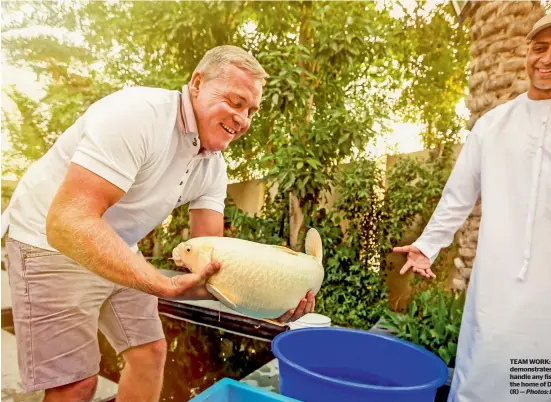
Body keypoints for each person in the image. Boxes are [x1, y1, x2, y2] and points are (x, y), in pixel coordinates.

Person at [1, 45, 315, 402]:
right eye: (235, 102)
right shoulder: (137, 115)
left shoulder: (212, 164)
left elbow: (211, 265)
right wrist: (157, 283)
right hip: (48, 239)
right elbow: (67, 222)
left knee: (149, 354)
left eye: (250, 111)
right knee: (76, 384)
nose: (243, 119)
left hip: (118, 244)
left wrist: (268, 304)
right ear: (197, 83)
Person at [393, 5, 551, 402]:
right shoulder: (493, 124)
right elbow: (458, 195)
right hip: (501, 290)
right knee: (485, 382)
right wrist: (428, 245)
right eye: (540, 47)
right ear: (527, 51)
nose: (549, 58)